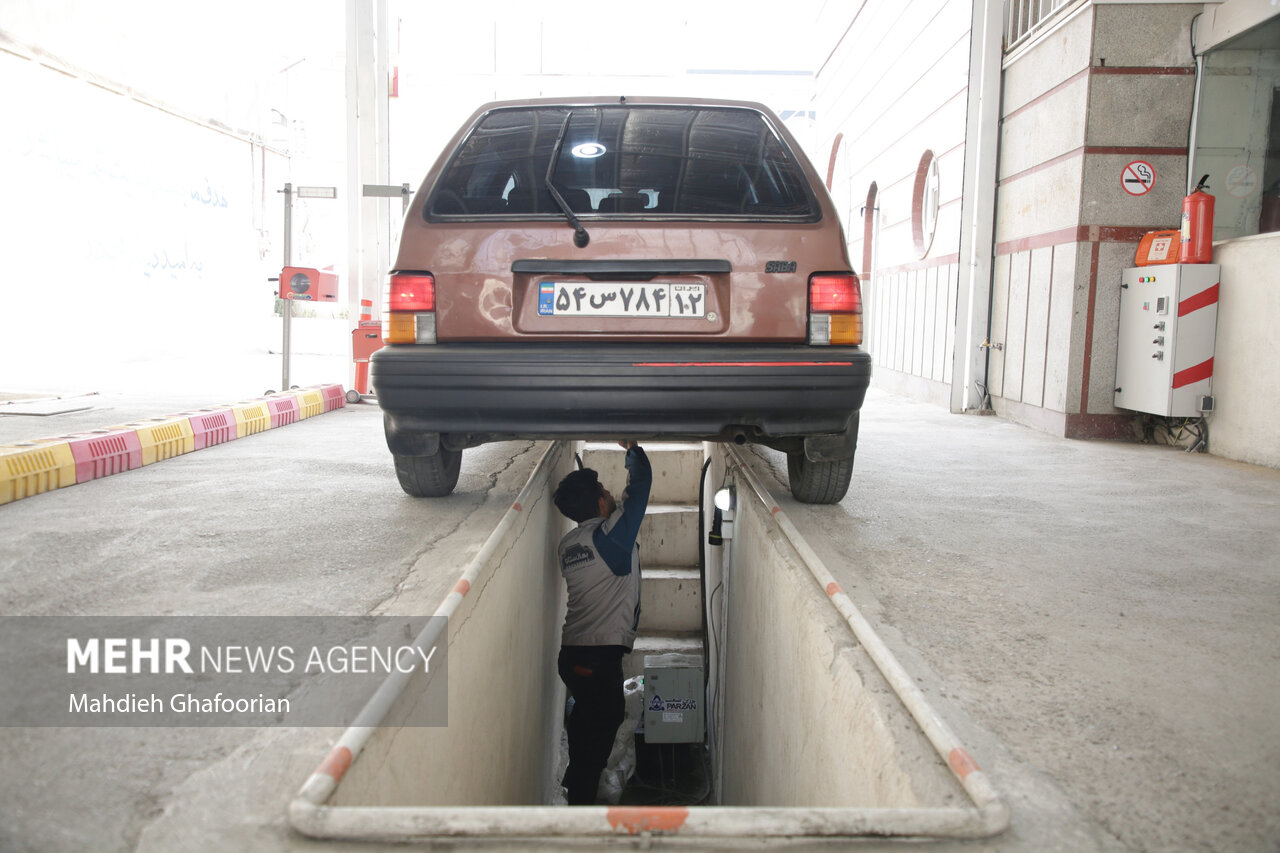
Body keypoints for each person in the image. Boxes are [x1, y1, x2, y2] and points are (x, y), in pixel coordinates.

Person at [551, 441, 652, 805]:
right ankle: (580, 808)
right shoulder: (611, 539)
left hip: (574, 656)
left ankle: (574, 783)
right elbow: (640, 491)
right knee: (603, 726)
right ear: (598, 504)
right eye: (607, 494)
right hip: (597, 658)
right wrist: (633, 450)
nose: (613, 498)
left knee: (588, 722)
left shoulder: (568, 544)